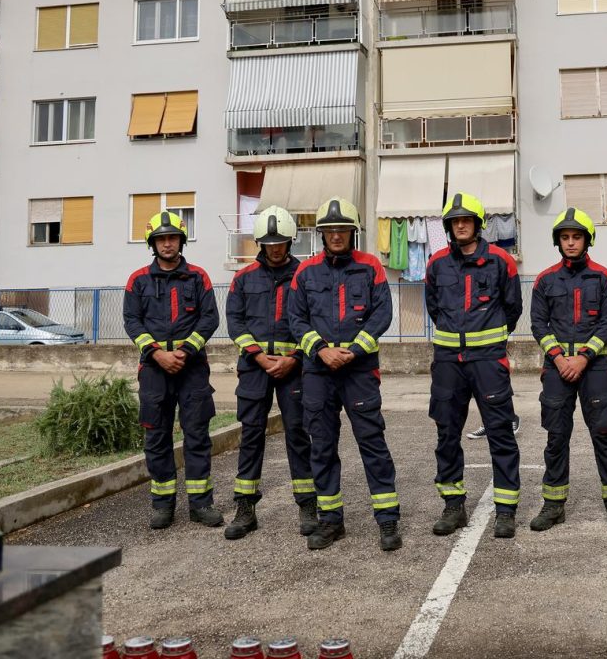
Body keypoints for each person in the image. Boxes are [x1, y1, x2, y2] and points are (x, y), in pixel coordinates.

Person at [286, 197, 401, 551]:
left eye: (342, 229)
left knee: (372, 442)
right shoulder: (305, 273)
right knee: (321, 445)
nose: (336, 235)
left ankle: (387, 521)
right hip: (318, 372)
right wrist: (321, 349)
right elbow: (296, 319)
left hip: (359, 370)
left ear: (353, 232)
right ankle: (331, 521)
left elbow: (382, 314)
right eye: (329, 230)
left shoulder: (371, 267)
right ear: (321, 235)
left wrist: (352, 350)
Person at [425, 193, 524, 539]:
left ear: (478, 224)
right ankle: (453, 506)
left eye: (466, 219)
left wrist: (488, 339)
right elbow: (434, 307)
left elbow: (512, 308)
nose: (460, 224)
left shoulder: (501, 261)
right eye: (454, 220)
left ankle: (506, 510)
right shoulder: (436, 263)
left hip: (488, 362)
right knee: (447, 433)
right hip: (449, 362)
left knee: (500, 432)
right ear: (449, 226)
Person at [528, 208, 607, 533]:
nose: (571, 243)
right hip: (557, 368)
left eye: (576, 237)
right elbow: (538, 324)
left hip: (594, 367)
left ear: (587, 240)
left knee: (603, 435)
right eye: (565, 237)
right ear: (558, 241)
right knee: (556, 437)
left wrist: (584, 357)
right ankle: (553, 505)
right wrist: (559, 359)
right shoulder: (545, 280)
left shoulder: (604, 278)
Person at [123, 211, 222, 530]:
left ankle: (201, 504)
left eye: (173, 237)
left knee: (197, 435)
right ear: (153, 243)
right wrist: (157, 353)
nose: (168, 243)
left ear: (181, 240)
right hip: (154, 370)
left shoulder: (199, 277)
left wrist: (185, 350)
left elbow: (209, 319)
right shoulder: (137, 280)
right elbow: (132, 322)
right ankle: (163, 506)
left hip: (192, 369)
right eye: (161, 239)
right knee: (156, 437)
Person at [223, 206, 316, 540]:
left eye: (280, 242)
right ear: (260, 243)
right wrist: (260, 358)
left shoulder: (306, 276)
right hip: (254, 368)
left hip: (295, 368)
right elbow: (235, 322)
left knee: (298, 434)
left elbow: (314, 321)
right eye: (268, 242)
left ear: (290, 241)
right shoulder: (243, 278)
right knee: (250, 435)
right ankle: (245, 507)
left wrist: (294, 358)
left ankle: (307, 504)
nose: (275, 247)